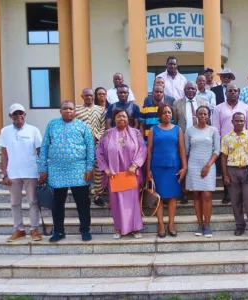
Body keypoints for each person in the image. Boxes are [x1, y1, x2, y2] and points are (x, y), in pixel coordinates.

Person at [39, 100, 95, 242]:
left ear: (75, 111)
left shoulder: (83, 126)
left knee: (83, 203)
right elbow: (44, 146)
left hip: (79, 170)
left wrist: (89, 168)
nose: (68, 111)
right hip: (57, 171)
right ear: (60, 111)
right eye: (65, 109)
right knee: (57, 204)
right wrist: (43, 169)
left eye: (71, 109)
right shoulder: (52, 125)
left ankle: (85, 230)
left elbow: (90, 148)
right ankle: (58, 231)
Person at [97, 109, 147, 239]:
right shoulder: (107, 134)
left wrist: (135, 164)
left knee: (133, 202)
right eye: (118, 116)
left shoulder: (136, 133)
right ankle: (119, 229)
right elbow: (99, 152)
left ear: (128, 119)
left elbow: (142, 149)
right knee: (116, 202)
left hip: (131, 174)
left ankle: (135, 228)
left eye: (124, 116)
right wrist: (105, 168)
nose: (121, 119)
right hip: (114, 175)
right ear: (114, 119)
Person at [0, 103, 42, 242]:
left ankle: (34, 229)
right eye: (15, 114)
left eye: (21, 113)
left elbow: (40, 151)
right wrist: (4, 174)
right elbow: (4, 154)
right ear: (10, 116)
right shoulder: (5, 131)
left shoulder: (33, 130)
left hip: (31, 172)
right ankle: (19, 229)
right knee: (15, 203)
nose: (19, 116)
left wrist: (43, 171)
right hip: (13, 173)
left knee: (33, 202)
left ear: (25, 114)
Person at [147, 104, 187, 238]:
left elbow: (182, 149)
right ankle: (161, 225)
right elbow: (149, 150)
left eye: (169, 112)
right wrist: (148, 170)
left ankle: (171, 224)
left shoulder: (178, 129)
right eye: (164, 113)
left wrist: (184, 167)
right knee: (158, 197)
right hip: (157, 167)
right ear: (160, 115)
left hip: (173, 167)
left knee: (172, 196)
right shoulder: (153, 130)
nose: (167, 115)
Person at [221, 112, 248, 238]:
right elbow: (223, 157)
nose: (239, 123)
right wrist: (225, 175)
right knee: (235, 201)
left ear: (244, 122)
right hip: (232, 170)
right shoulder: (226, 138)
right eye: (237, 121)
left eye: (241, 121)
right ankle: (240, 226)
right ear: (232, 122)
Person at [213, 83, 248, 204]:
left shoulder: (246, 107)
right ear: (225, 93)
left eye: (235, 90)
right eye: (230, 90)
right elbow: (216, 128)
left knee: (245, 170)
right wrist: (218, 145)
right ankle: (227, 193)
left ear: (238, 93)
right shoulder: (218, 108)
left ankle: (245, 193)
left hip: (244, 144)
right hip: (227, 144)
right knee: (226, 169)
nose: (232, 92)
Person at [185, 106, 220, 237]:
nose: (203, 116)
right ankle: (200, 225)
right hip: (193, 165)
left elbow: (217, 150)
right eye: (200, 114)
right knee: (196, 195)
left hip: (209, 165)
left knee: (207, 195)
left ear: (209, 115)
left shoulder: (213, 130)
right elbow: (187, 151)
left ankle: (207, 225)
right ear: (196, 115)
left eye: (205, 114)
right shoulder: (189, 131)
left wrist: (208, 166)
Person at [75, 88, 106, 206]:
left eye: (91, 95)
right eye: (86, 95)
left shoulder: (101, 110)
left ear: (94, 97)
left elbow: (103, 126)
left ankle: (97, 195)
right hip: (81, 146)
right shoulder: (77, 110)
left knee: (97, 169)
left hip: (97, 144)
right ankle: (85, 194)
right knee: (84, 169)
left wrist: (97, 136)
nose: (89, 97)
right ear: (82, 96)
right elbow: (75, 126)